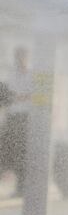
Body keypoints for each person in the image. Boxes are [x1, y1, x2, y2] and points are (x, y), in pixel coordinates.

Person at [0, 47, 33, 197]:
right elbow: (6, 96)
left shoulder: (32, 75)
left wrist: (17, 97)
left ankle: (21, 187)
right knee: (6, 150)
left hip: (25, 118)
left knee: (22, 153)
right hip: (12, 117)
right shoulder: (11, 75)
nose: (19, 60)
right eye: (17, 57)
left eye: (22, 57)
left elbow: (35, 96)